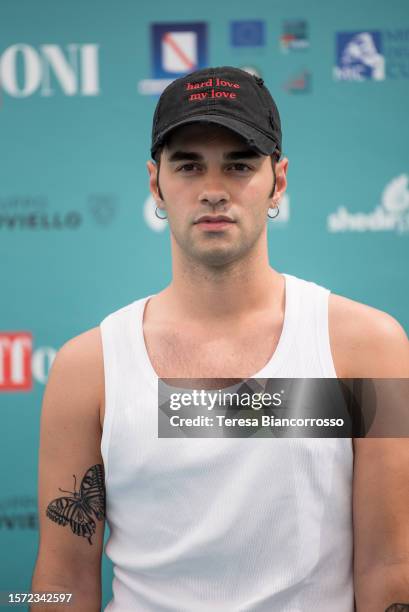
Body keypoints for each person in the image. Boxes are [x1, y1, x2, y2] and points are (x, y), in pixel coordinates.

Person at [31, 66, 409, 612]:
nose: (213, 191)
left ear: (278, 180)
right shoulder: (87, 367)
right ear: (155, 182)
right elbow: (61, 579)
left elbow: (391, 564)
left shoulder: (367, 346)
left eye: (239, 165)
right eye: (188, 165)